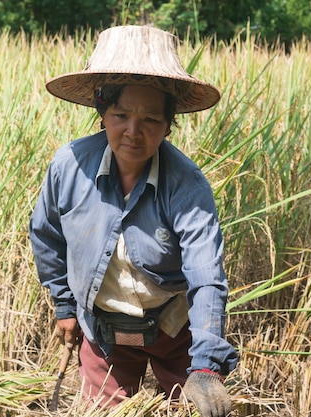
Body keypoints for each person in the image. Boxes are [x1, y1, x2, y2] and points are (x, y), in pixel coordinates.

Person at [29, 25, 239, 417]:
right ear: (102, 113)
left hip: (172, 329)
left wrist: (208, 364)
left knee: (194, 408)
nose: (133, 132)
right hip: (102, 331)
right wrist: (65, 307)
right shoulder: (69, 167)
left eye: (150, 121)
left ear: (169, 125)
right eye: (120, 115)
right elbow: (46, 236)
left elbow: (206, 274)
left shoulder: (187, 185)